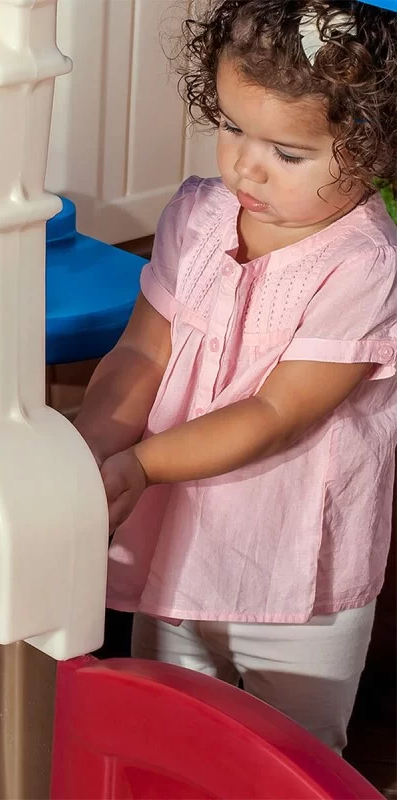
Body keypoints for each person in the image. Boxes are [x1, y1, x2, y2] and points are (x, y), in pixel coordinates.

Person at [75, 0, 397, 753]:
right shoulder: (198, 217)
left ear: (377, 149)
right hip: (178, 549)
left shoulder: (363, 265)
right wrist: (92, 445)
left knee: (294, 755)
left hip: (294, 581)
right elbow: (142, 353)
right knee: (172, 737)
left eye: (288, 154)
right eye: (230, 127)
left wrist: (143, 464)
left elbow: (275, 411)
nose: (244, 166)